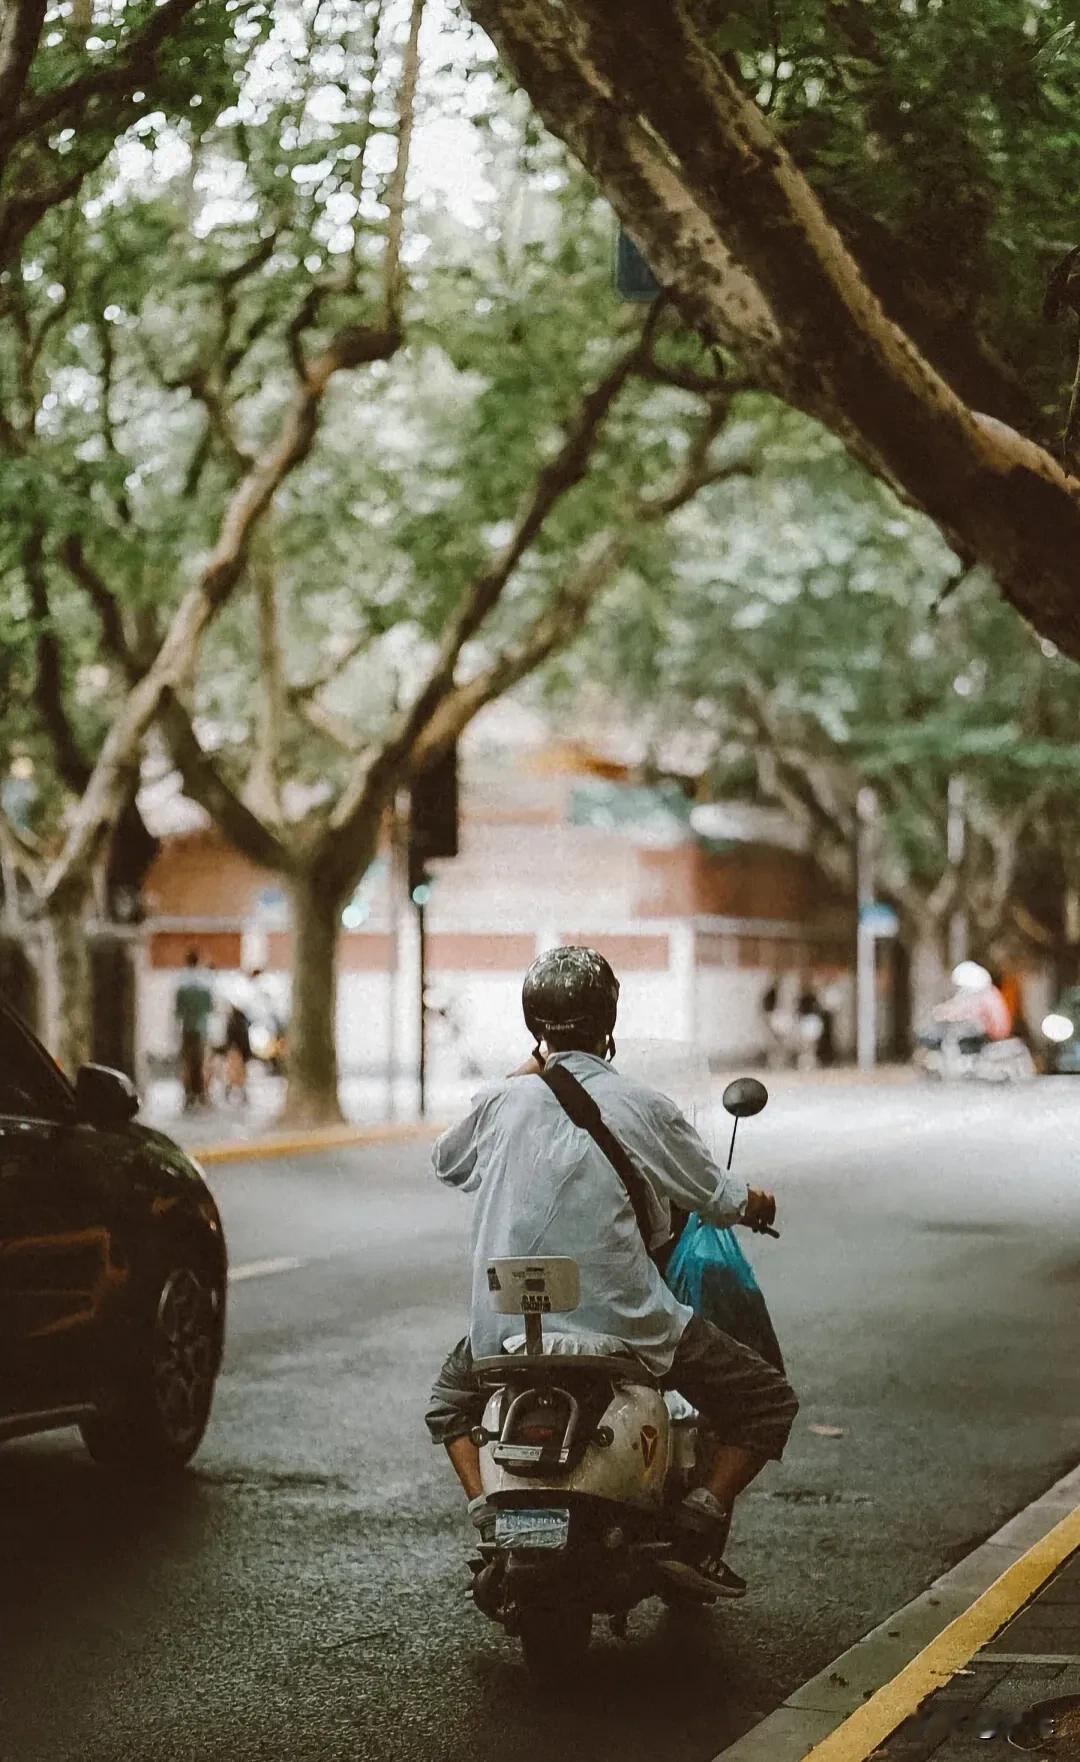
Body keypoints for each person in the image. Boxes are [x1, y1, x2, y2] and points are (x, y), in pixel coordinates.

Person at [425, 946, 799, 1600]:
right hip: (621, 1323)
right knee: (767, 1400)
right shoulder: (640, 1104)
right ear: (608, 1020)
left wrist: (531, 1066)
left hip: (507, 1327)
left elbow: (446, 1162)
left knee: (449, 1406)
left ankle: (489, 1515)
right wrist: (755, 1203)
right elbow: (716, 1196)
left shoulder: (501, 1102)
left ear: (533, 1024)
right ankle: (699, 1518)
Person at [174, 950, 213, 1111]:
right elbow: (210, 1008)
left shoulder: (181, 984)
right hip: (201, 1029)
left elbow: (178, 1011)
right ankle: (201, 1094)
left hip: (186, 1028)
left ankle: (188, 1095)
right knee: (200, 1062)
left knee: (187, 1062)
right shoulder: (204, 983)